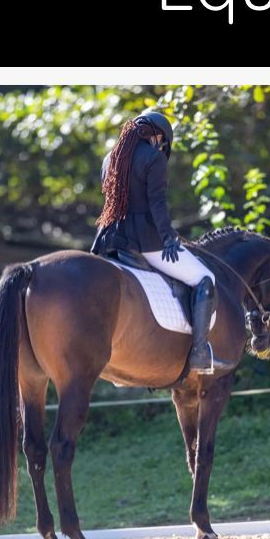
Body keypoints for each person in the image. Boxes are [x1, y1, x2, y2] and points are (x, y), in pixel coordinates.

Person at [91, 110, 216, 374]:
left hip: (109, 239)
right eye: (163, 142)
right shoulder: (154, 158)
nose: (163, 147)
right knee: (204, 278)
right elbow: (157, 204)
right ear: (157, 136)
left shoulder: (110, 158)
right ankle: (199, 352)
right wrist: (168, 237)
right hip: (145, 240)